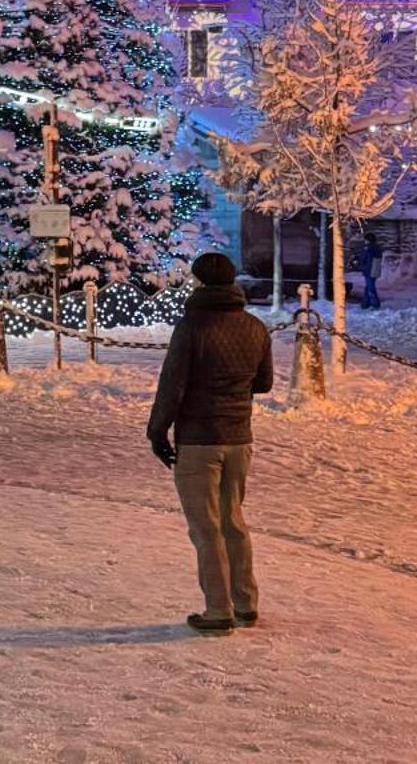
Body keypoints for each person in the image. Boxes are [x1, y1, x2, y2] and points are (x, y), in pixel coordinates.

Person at [147, 252, 275, 634]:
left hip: (200, 439)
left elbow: (172, 386)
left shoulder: (191, 327)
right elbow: (264, 383)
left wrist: (158, 432)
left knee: (206, 528)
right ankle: (245, 603)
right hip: (239, 438)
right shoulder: (255, 327)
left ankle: (218, 610)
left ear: (199, 282)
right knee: (233, 520)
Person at [356, 228, 383, 311]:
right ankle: (365, 304)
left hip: (369, 270)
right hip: (373, 270)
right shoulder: (376, 248)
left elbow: (365, 258)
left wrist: (359, 262)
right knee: (368, 287)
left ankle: (375, 305)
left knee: (370, 288)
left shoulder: (369, 248)